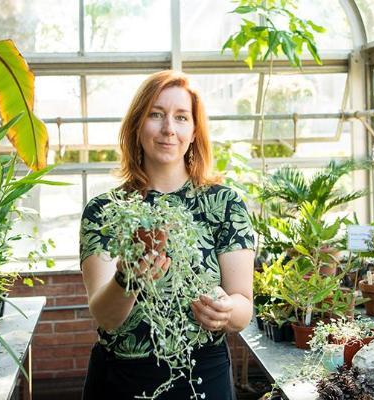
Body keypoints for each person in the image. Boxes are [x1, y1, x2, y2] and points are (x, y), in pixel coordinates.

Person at [79, 70, 255, 400]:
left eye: (181, 117)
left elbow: (244, 305)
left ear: (194, 131)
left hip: (202, 376)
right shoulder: (106, 210)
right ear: (136, 125)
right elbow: (105, 316)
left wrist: (226, 311)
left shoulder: (223, 204)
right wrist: (128, 277)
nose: (168, 129)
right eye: (156, 115)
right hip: (123, 380)